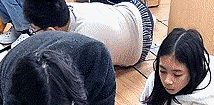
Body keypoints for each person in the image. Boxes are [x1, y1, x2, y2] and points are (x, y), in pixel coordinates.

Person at [23, 0, 154, 67]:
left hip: (142, 45)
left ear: (51, 31)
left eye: (34, 30)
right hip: (132, 9)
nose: (32, 33)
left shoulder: (79, 46)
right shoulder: (66, 9)